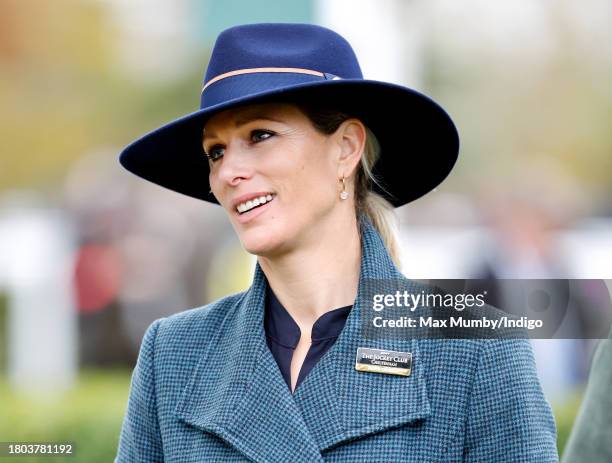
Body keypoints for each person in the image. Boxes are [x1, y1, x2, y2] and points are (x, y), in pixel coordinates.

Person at [115, 22, 558, 462]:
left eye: (260, 135)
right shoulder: (174, 352)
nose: (229, 172)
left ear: (346, 148)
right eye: (216, 151)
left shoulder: (475, 343)